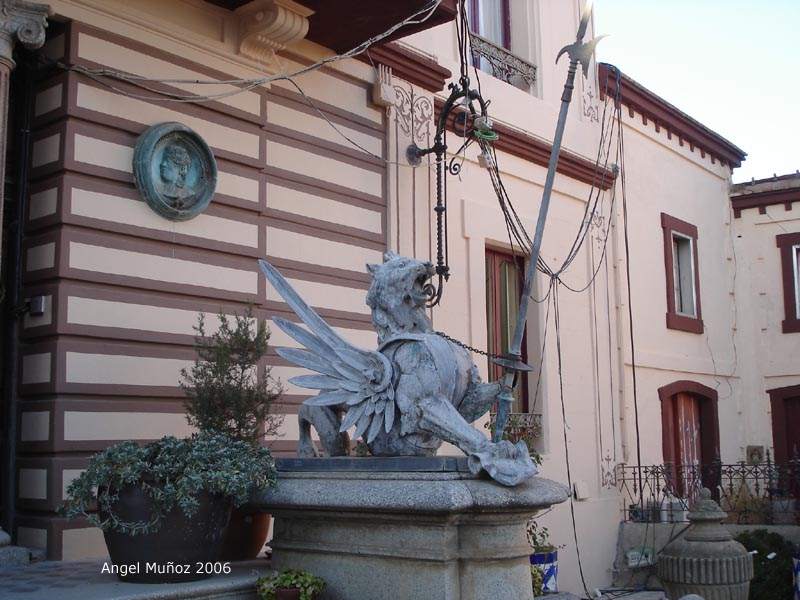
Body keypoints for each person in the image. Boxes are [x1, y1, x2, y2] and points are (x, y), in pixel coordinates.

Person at [157, 144, 194, 209]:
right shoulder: (159, 189)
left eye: (167, 161)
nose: (163, 164)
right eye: (163, 160)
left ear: (181, 168)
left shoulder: (188, 193)